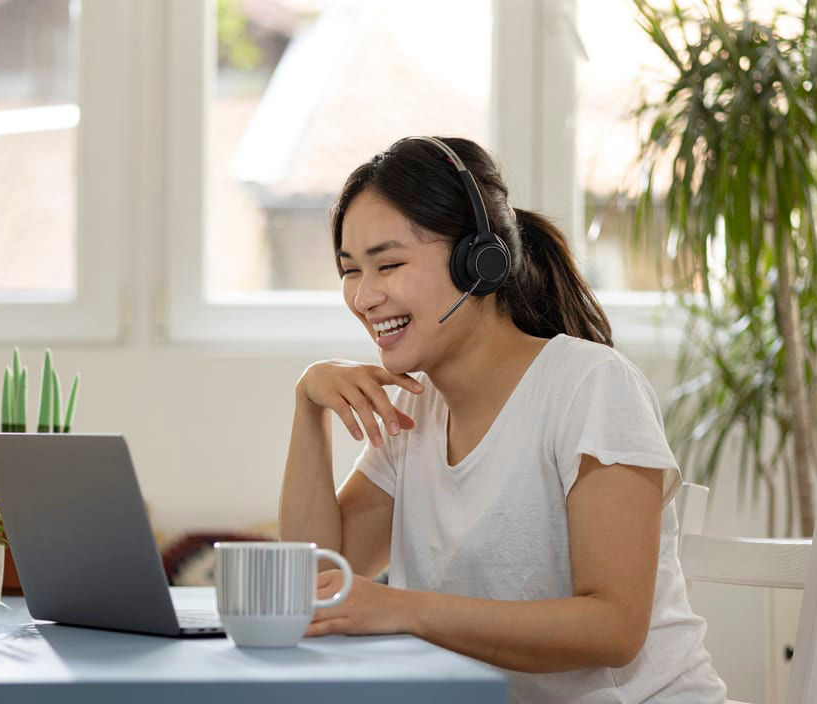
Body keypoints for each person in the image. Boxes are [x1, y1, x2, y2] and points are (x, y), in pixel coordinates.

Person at [278, 136, 728, 702]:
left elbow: (614, 629)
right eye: (350, 271)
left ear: (480, 261)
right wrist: (308, 406)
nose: (365, 297)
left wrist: (401, 608)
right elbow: (314, 579)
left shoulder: (590, 387)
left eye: (388, 264)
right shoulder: (415, 410)